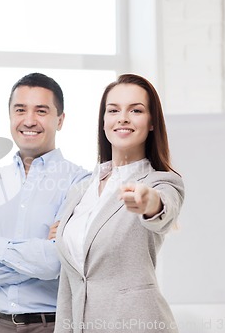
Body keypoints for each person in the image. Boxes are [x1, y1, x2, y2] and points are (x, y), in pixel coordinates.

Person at [0, 72, 90, 333]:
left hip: (50, 326)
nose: (29, 120)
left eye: (41, 111)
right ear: (10, 117)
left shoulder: (80, 182)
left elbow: (53, 263)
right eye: (20, 110)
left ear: (60, 120)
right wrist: (37, 262)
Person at [53, 73, 185, 333]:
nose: (123, 117)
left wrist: (149, 203)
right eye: (113, 110)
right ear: (104, 121)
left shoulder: (161, 182)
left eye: (135, 110)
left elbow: (163, 208)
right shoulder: (81, 191)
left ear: (151, 123)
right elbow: (70, 284)